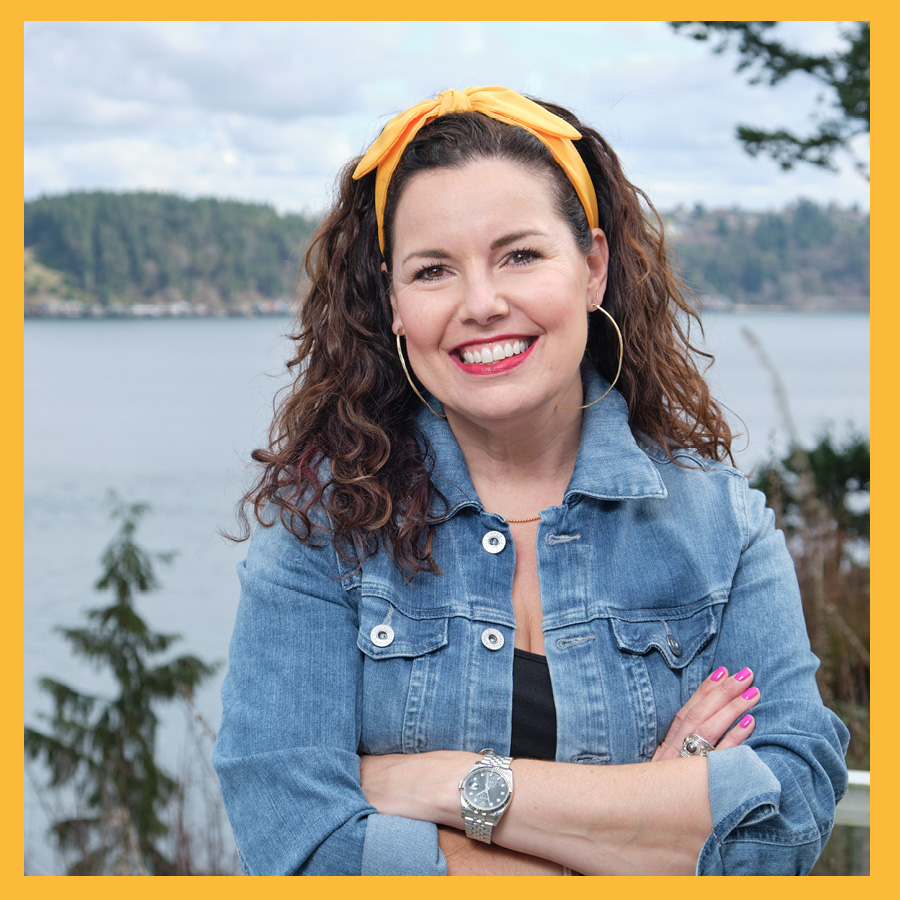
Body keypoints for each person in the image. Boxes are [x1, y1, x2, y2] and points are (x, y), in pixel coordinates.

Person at [213, 86, 849, 876]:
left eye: (520, 255)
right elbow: (299, 847)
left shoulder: (720, 526)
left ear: (593, 267)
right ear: (394, 305)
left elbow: (782, 824)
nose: (481, 304)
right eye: (433, 269)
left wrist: (446, 787)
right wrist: (646, 818)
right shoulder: (323, 531)